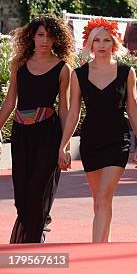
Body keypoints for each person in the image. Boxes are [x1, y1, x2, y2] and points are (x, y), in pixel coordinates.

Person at [57, 18, 137, 243]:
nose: (102, 45)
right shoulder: (79, 74)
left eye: (107, 40)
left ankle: (96, 250)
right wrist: (63, 146)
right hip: (91, 141)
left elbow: (133, 109)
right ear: (90, 44)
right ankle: (103, 246)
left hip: (118, 140)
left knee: (104, 197)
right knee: (98, 201)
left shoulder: (127, 72)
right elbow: (73, 113)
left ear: (114, 43)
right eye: (97, 40)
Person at [0, 15, 74, 243]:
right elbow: (10, 102)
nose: (44, 40)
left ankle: (34, 238)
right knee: (21, 196)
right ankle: (37, 226)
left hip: (48, 135)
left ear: (57, 40)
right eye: (40, 35)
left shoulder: (63, 69)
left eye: (50, 36)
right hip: (21, 135)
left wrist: (65, 146)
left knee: (36, 190)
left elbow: (65, 109)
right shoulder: (19, 65)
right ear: (32, 36)